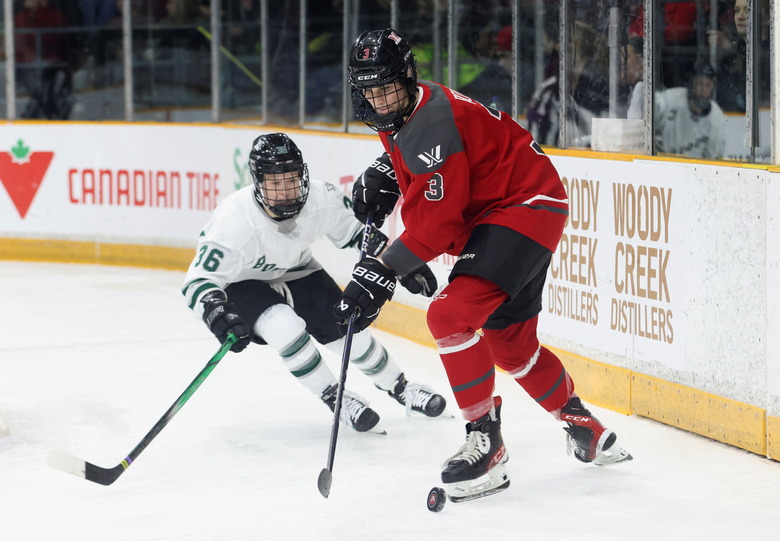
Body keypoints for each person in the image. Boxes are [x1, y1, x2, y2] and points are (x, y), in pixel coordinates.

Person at [338, 28, 631, 502]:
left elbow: (438, 222)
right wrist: (391, 170)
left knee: (449, 315)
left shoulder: (429, 123)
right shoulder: (408, 112)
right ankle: (583, 424)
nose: (379, 98)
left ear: (408, 77)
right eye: (368, 89)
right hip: (513, 208)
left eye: (387, 86)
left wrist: (384, 267)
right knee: (510, 347)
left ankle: (485, 440)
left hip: (522, 206)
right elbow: (436, 182)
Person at [182, 132, 447, 433]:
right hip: (243, 282)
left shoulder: (321, 198)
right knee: (283, 326)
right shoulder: (234, 221)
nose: (285, 191)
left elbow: (360, 236)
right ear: (257, 182)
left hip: (298, 270)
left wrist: (401, 262)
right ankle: (335, 398)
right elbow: (198, 282)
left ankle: (401, 387)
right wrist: (217, 313)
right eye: (274, 182)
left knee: (350, 333)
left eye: (291, 179)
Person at [654, 60, 726, 159]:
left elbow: (714, 157)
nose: (703, 89)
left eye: (708, 85)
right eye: (700, 83)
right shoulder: (667, 101)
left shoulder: (717, 117)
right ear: (691, 83)